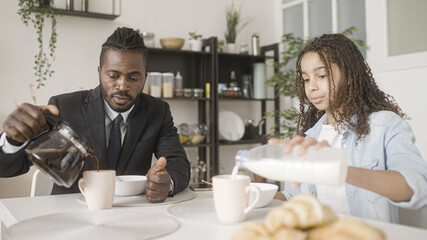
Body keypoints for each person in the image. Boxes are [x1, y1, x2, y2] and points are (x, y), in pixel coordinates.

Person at [0, 27, 190, 203]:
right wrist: (13, 141)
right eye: (113, 76)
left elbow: (178, 163)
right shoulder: (64, 107)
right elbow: (7, 167)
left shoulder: (158, 111)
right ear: (100, 73)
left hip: (132, 215)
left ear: (144, 77)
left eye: (133, 78)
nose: (122, 86)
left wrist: (168, 182)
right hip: (70, 217)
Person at [272, 33, 427, 223]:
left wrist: (340, 171)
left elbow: (418, 187)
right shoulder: (309, 138)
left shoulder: (385, 125)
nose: (311, 87)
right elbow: (291, 197)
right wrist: (255, 195)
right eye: (306, 79)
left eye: (321, 75)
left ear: (349, 76)